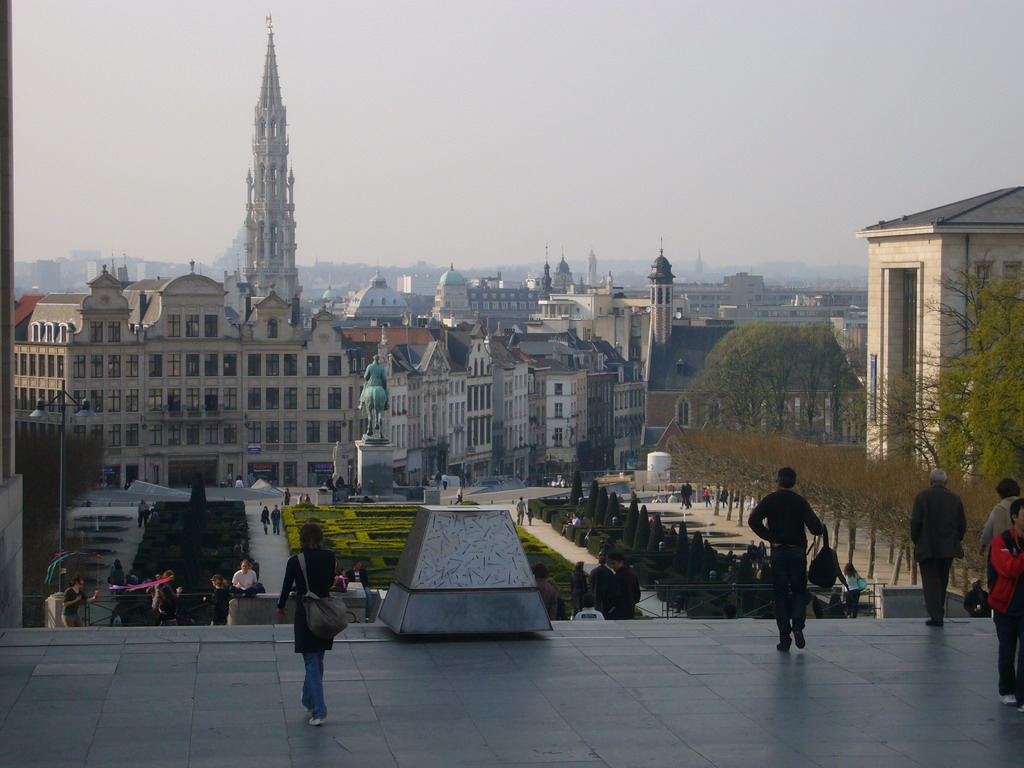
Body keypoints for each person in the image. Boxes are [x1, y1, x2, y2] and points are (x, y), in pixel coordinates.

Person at [748, 466, 824, 651]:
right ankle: (798, 627)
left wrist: (770, 537)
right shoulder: (800, 502)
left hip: (779, 552)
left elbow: (753, 520)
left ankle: (784, 637)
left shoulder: (770, 500)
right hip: (797, 551)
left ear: (777, 482)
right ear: (794, 482)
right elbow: (816, 529)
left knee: (780, 595)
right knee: (799, 591)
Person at [277, 522, 338, 726]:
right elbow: (330, 582)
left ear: (301, 539)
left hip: (306, 612)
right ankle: (307, 699)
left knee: (311, 661)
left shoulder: (295, 561)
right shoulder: (329, 556)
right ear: (321, 538)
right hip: (324, 612)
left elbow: (286, 587)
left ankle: (319, 711)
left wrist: (281, 605)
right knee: (317, 661)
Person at [910, 468, 967, 627]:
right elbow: (962, 524)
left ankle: (936, 615)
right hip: (947, 547)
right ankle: (938, 611)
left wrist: (918, 541)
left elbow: (915, 524)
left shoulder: (922, 497)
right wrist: (955, 540)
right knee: (942, 580)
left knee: (931, 582)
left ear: (930, 481)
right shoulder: (955, 499)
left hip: (927, 547)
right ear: (946, 482)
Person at [988, 498, 1024, 707]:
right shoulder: (1002, 542)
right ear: (1014, 517)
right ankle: (1007, 689)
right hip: (1006, 605)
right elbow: (1008, 569)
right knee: (1007, 651)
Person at [981, 478, 1021, 556]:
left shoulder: (998, 509)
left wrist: (983, 545)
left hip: (1000, 552)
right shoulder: (1021, 506)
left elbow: (988, 530)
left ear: (1001, 493)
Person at [604, 552, 641, 620]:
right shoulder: (633, 575)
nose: (612, 566)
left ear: (621, 562)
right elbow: (637, 595)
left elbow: (613, 596)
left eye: (614, 563)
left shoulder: (617, 577)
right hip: (630, 611)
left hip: (617, 612)